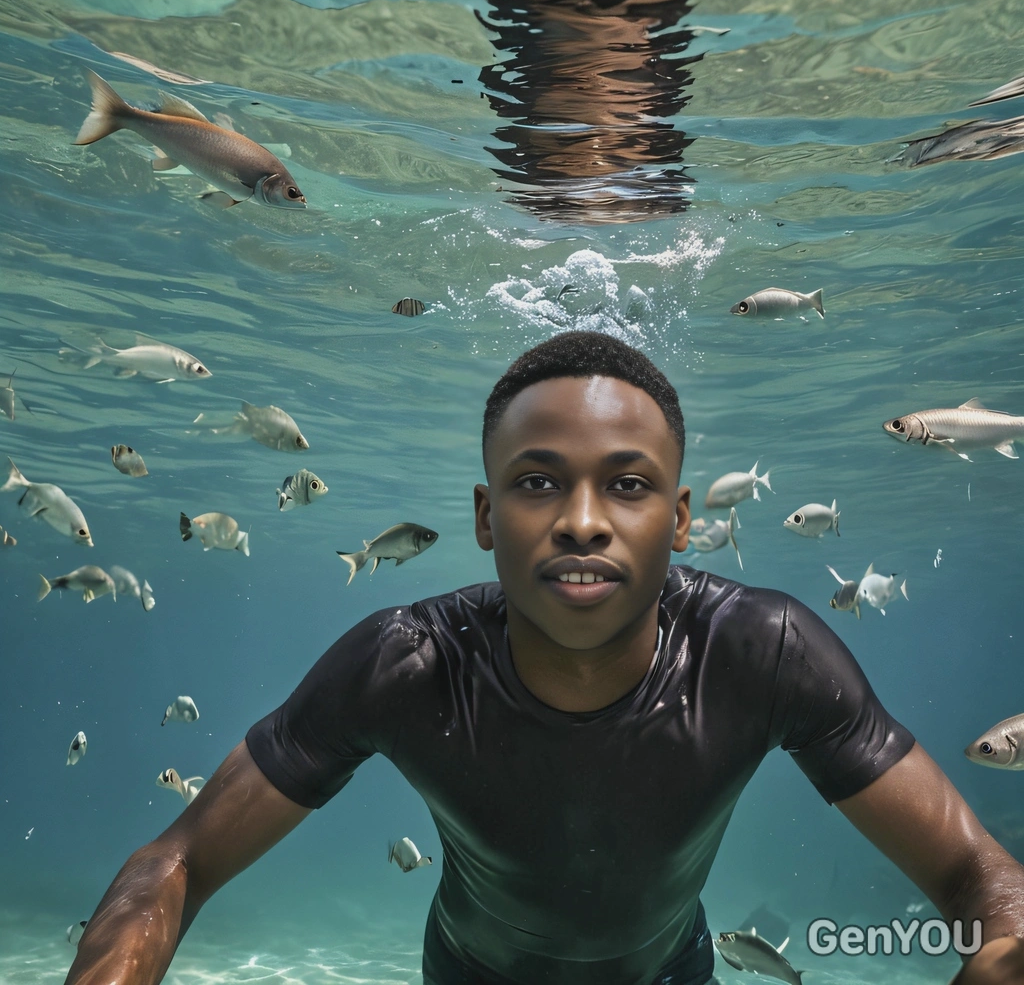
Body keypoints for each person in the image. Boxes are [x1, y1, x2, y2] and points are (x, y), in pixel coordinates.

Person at [66, 332, 1024, 985]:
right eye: (536, 482)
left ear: (682, 520)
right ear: (486, 517)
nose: (581, 521)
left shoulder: (762, 652)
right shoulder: (405, 665)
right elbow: (178, 861)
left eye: (629, 485)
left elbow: (977, 874)